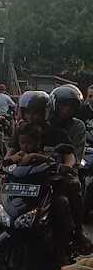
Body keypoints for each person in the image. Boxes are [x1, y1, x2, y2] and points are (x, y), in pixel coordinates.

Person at [48, 85, 90, 252]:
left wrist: (67, 166)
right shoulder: (44, 124)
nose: (66, 109)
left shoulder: (78, 126)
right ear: (54, 105)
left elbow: (76, 154)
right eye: (63, 105)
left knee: (75, 186)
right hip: (41, 170)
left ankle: (78, 232)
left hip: (65, 171)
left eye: (71, 106)